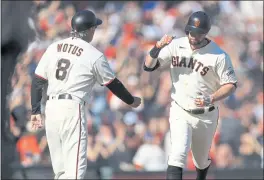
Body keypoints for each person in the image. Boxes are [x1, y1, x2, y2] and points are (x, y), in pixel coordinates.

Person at [30, 10, 141, 179]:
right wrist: (131, 101)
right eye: (94, 28)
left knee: (60, 172)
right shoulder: (93, 54)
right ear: (89, 30)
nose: (94, 31)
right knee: (74, 172)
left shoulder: (54, 47)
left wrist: (35, 110)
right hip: (72, 108)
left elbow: (38, 79)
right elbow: (113, 84)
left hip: (51, 108)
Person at [143, 11, 238, 180]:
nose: (193, 36)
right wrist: (157, 48)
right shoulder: (176, 45)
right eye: (190, 32)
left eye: (198, 33)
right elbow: (148, 66)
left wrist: (212, 98)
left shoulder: (219, 55)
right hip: (180, 109)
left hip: (206, 114)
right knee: (177, 154)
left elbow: (231, 85)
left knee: (200, 161)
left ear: (206, 33)